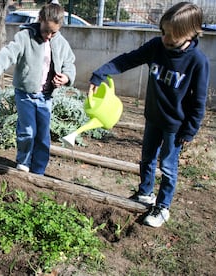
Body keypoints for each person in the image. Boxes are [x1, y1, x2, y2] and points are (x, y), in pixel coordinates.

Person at [89, 2, 209, 227]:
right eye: (163, 32)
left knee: (168, 167)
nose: (165, 38)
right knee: (146, 158)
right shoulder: (156, 46)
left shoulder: (197, 62)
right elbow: (127, 59)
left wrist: (190, 130)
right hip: (153, 117)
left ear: (189, 33)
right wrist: (100, 74)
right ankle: (145, 193)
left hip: (175, 125)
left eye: (172, 36)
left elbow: (199, 101)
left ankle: (163, 207)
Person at [0, 0, 76, 175]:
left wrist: (66, 77)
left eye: (53, 32)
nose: (48, 35)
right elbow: (8, 54)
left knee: (42, 135)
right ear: (40, 19)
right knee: (27, 131)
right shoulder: (25, 37)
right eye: (46, 30)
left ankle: (39, 169)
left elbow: (69, 63)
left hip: (46, 97)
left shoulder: (61, 43)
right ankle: (23, 162)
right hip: (25, 94)